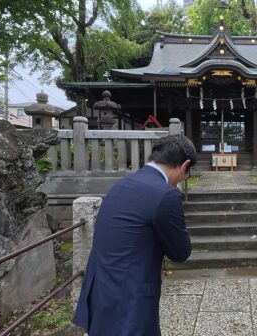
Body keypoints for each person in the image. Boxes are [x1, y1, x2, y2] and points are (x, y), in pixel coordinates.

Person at [73, 134, 196, 336]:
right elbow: (180, 252)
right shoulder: (166, 195)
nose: (182, 179)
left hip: (101, 289)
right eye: (186, 174)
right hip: (130, 296)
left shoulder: (121, 185)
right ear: (184, 165)